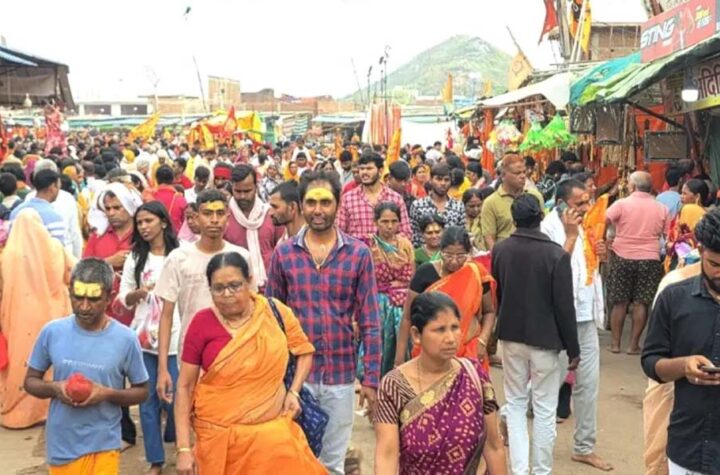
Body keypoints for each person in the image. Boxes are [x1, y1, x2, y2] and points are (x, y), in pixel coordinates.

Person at [265, 170, 381, 475]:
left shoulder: (358, 254)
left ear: (338, 205)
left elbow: (370, 320)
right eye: (312, 202)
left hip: (340, 376)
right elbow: (271, 319)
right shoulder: (284, 255)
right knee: (293, 458)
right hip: (294, 378)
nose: (318, 210)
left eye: (326, 202)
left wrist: (371, 378)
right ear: (300, 206)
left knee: (331, 462)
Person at [173, 252, 325, 474]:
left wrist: (294, 392)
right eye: (218, 288)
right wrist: (183, 448)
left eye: (235, 286)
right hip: (218, 439)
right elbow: (185, 387)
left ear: (250, 281)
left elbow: (304, 351)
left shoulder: (274, 313)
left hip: (273, 439)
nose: (227, 294)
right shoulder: (201, 323)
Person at [23, 258, 149, 475]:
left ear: (109, 297)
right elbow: (30, 382)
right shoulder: (52, 332)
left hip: (104, 445)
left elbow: (142, 391)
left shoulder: (126, 339)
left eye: (93, 299)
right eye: (77, 297)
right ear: (70, 292)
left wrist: (107, 393)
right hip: (62, 446)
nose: (84, 306)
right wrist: (56, 388)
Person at [491, 194, 580, 475]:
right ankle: (541, 470)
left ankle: (519, 470)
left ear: (514, 218)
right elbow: (564, 307)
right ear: (541, 217)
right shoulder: (556, 254)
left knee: (516, 403)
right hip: (545, 341)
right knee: (544, 408)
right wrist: (574, 348)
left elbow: (498, 294)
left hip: (511, 336)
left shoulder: (501, 250)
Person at [374, 292, 507, 475]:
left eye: (455, 328)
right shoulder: (394, 386)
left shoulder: (474, 375)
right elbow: (386, 455)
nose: (451, 338)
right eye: (440, 330)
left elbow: (494, 447)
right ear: (416, 335)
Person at [540, 180, 612, 471]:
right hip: (560, 318)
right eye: (579, 203)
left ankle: (584, 447)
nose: (585, 207)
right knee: (548, 382)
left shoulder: (588, 225)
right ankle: (510, 416)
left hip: (585, 315)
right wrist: (570, 236)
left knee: (588, 384)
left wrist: (601, 253)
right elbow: (553, 270)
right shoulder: (548, 228)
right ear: (561, 203)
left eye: (587, 202)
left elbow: (589, 267)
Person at [642, 209, 720, 475]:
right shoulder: (674, 297)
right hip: (687, 447)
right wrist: (683, 366)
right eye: (715, 265)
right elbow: (651, 361)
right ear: (700, 250)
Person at [154, 190, 251, 404]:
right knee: (192, 414)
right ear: (196, 218)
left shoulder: (241, 257)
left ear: (228, 217)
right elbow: (166, 316)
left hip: (234, 354)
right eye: (207, 213)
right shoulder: (178, 258)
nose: (214, 220)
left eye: (220, 213)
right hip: (192, 357)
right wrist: (163, 369)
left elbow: (251, 309)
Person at [117, 202, 181, 474]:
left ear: (163, 222)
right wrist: (139, 294)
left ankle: (177, 439)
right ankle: (155, 459)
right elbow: (123, 297)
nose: (143, 227)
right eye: (140, 222)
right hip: (144, 340)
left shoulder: (180, 254)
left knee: (177, 398)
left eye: (148, 221)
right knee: (147, 402)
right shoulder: (135, 258)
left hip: (177, 339)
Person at [0, 210, 74, 429]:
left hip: (17, 318)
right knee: (47, 360)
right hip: (50, 315)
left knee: (20, 362)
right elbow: (73, 273)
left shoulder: (7, 255)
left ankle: (18, 414)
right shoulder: (55, 249)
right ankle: (45, 409)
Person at [396, 226, 496, 370]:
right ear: (440, 250)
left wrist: (483, 340)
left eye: (461, 255)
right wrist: (399, 359)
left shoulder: (476, 273)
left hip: (469, 351)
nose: (454, 261)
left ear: (469, 253)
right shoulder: (425, 273)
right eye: (448, 255)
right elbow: (407, 317)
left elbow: (489, 312)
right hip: (431, 353)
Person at [643, 261, 700, 475]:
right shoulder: (676, 287)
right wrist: (684, 366)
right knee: (661, 462)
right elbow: (653, 357)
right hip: (674, 397)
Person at [606, 171, 669, 354]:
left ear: (632, 186)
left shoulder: (621, 204)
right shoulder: (662, 208)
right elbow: (667, 236)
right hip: (650, 258)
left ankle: (615, 344)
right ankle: (633, 345)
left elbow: (603, 220)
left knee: (620, 302)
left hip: (622, 256)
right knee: (642, 302)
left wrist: (606, 240)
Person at [369, 202, 415, 377]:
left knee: (402, 343)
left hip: (401, 305)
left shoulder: (405, 245)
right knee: (379, 344)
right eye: (384, 221)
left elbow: (412, 277)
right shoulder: (370, 246)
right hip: (378, 303)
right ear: (376, 222)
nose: (389, 226)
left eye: (394, 221)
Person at [225, 164, 284, 289]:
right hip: (237, 287)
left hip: (271, 285)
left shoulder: (270, 214)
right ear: (232, 188)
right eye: (238, 191)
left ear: (256, 187)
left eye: (247, 191)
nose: (242, 196)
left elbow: (282, 248)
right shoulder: (225, 217)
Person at [338, 152, 411, 244]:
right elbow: (340, 232)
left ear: (380, 171)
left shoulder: (395, 198)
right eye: (362, 169)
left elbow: (406, 233)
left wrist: (386, 243)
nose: (364, 172)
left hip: (388, 251)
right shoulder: (348, 199)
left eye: (369, 168)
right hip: (356, 251)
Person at [480, 153, 545, 251]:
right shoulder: (490, 203)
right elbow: (489, 239)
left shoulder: (535, 196)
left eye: (524, 172)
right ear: (503, 175)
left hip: (534, 252)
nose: (523, 176)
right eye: (517, 173)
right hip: (506, 255)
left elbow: (542, 227)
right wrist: (499, 257)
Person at [409, 163, 465, 247]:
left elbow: (461, 235)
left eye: (446, 180)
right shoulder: (418, 205)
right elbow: (415, 237)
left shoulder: (458, 206)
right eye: (439, 179)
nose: (443, 183)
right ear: (431, 180)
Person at [10, 168, 66, 245]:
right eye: (59, 187)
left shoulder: (16, 212)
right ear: (52, 187)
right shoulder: (54, 217)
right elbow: (58, 249)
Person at [152, 165, 188, 233]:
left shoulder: (149, 196)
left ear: (156, 179)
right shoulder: (180, 199)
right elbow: (186, 223)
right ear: (173, 179)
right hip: (175, 237)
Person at [463, 187, 492, 253]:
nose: (476, 209)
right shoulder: (460, 220)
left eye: (479, 205)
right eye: (471, 206)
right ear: (464, 205)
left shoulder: (487, 218)